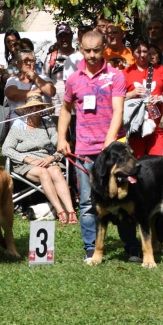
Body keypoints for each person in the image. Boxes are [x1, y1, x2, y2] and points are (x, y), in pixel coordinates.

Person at [57, 30, 142, 262]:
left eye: (97, 50)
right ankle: (91, 247)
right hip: (84, 148)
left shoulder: (115, 76)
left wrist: (109, 143)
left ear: (104, 48)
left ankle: (131, 246)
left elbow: (119, 112)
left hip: (114, 151)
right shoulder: (73, 79)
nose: (92, 55)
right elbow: (65, 110)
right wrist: (61, 138)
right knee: (87, 201)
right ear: (80, 48)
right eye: (88, 50)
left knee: (122, 199)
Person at [2, 95, 76, 224]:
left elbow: (61, 147)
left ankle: (71, 211)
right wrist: (27, 159)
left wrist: (52, 158)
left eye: (37, 107)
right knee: (44, 173)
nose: (34, 109)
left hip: (47, 160)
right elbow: (6, 149)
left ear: (42, 108)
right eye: (31, 107)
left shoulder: (48, 125)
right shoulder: (18, 126)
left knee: (56, 172)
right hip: (25, 163)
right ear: (26, 110)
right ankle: (60, 211)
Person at [123, 37, 163, 158]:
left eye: (145, 51)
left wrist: (161, 98)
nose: (142, 55)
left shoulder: (160, 70)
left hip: (157, 127)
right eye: (138, 52)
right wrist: (132, 94)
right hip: (135, 127)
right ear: (133, 53)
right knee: (136, 163)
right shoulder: (126, 72)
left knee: (157, 162)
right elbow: (117, 98)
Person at [5, 49, 55, 120]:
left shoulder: (43, 78)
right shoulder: (13, 80)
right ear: (18, 64)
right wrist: (38, 92)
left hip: (43, 122)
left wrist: (35, 77)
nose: (28, 63)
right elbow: (12, 95)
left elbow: (51, 91)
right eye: (25, 61)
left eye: (31, 61)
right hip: (19, 124)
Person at [43, 23, 75, 119]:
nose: (63, 39)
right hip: (57, 109)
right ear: (57, 38)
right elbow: (44, 80)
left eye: (66, 35)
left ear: (71, 36)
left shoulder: (80, 56)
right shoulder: (50, 58)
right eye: (61, 36)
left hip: (77, 109)